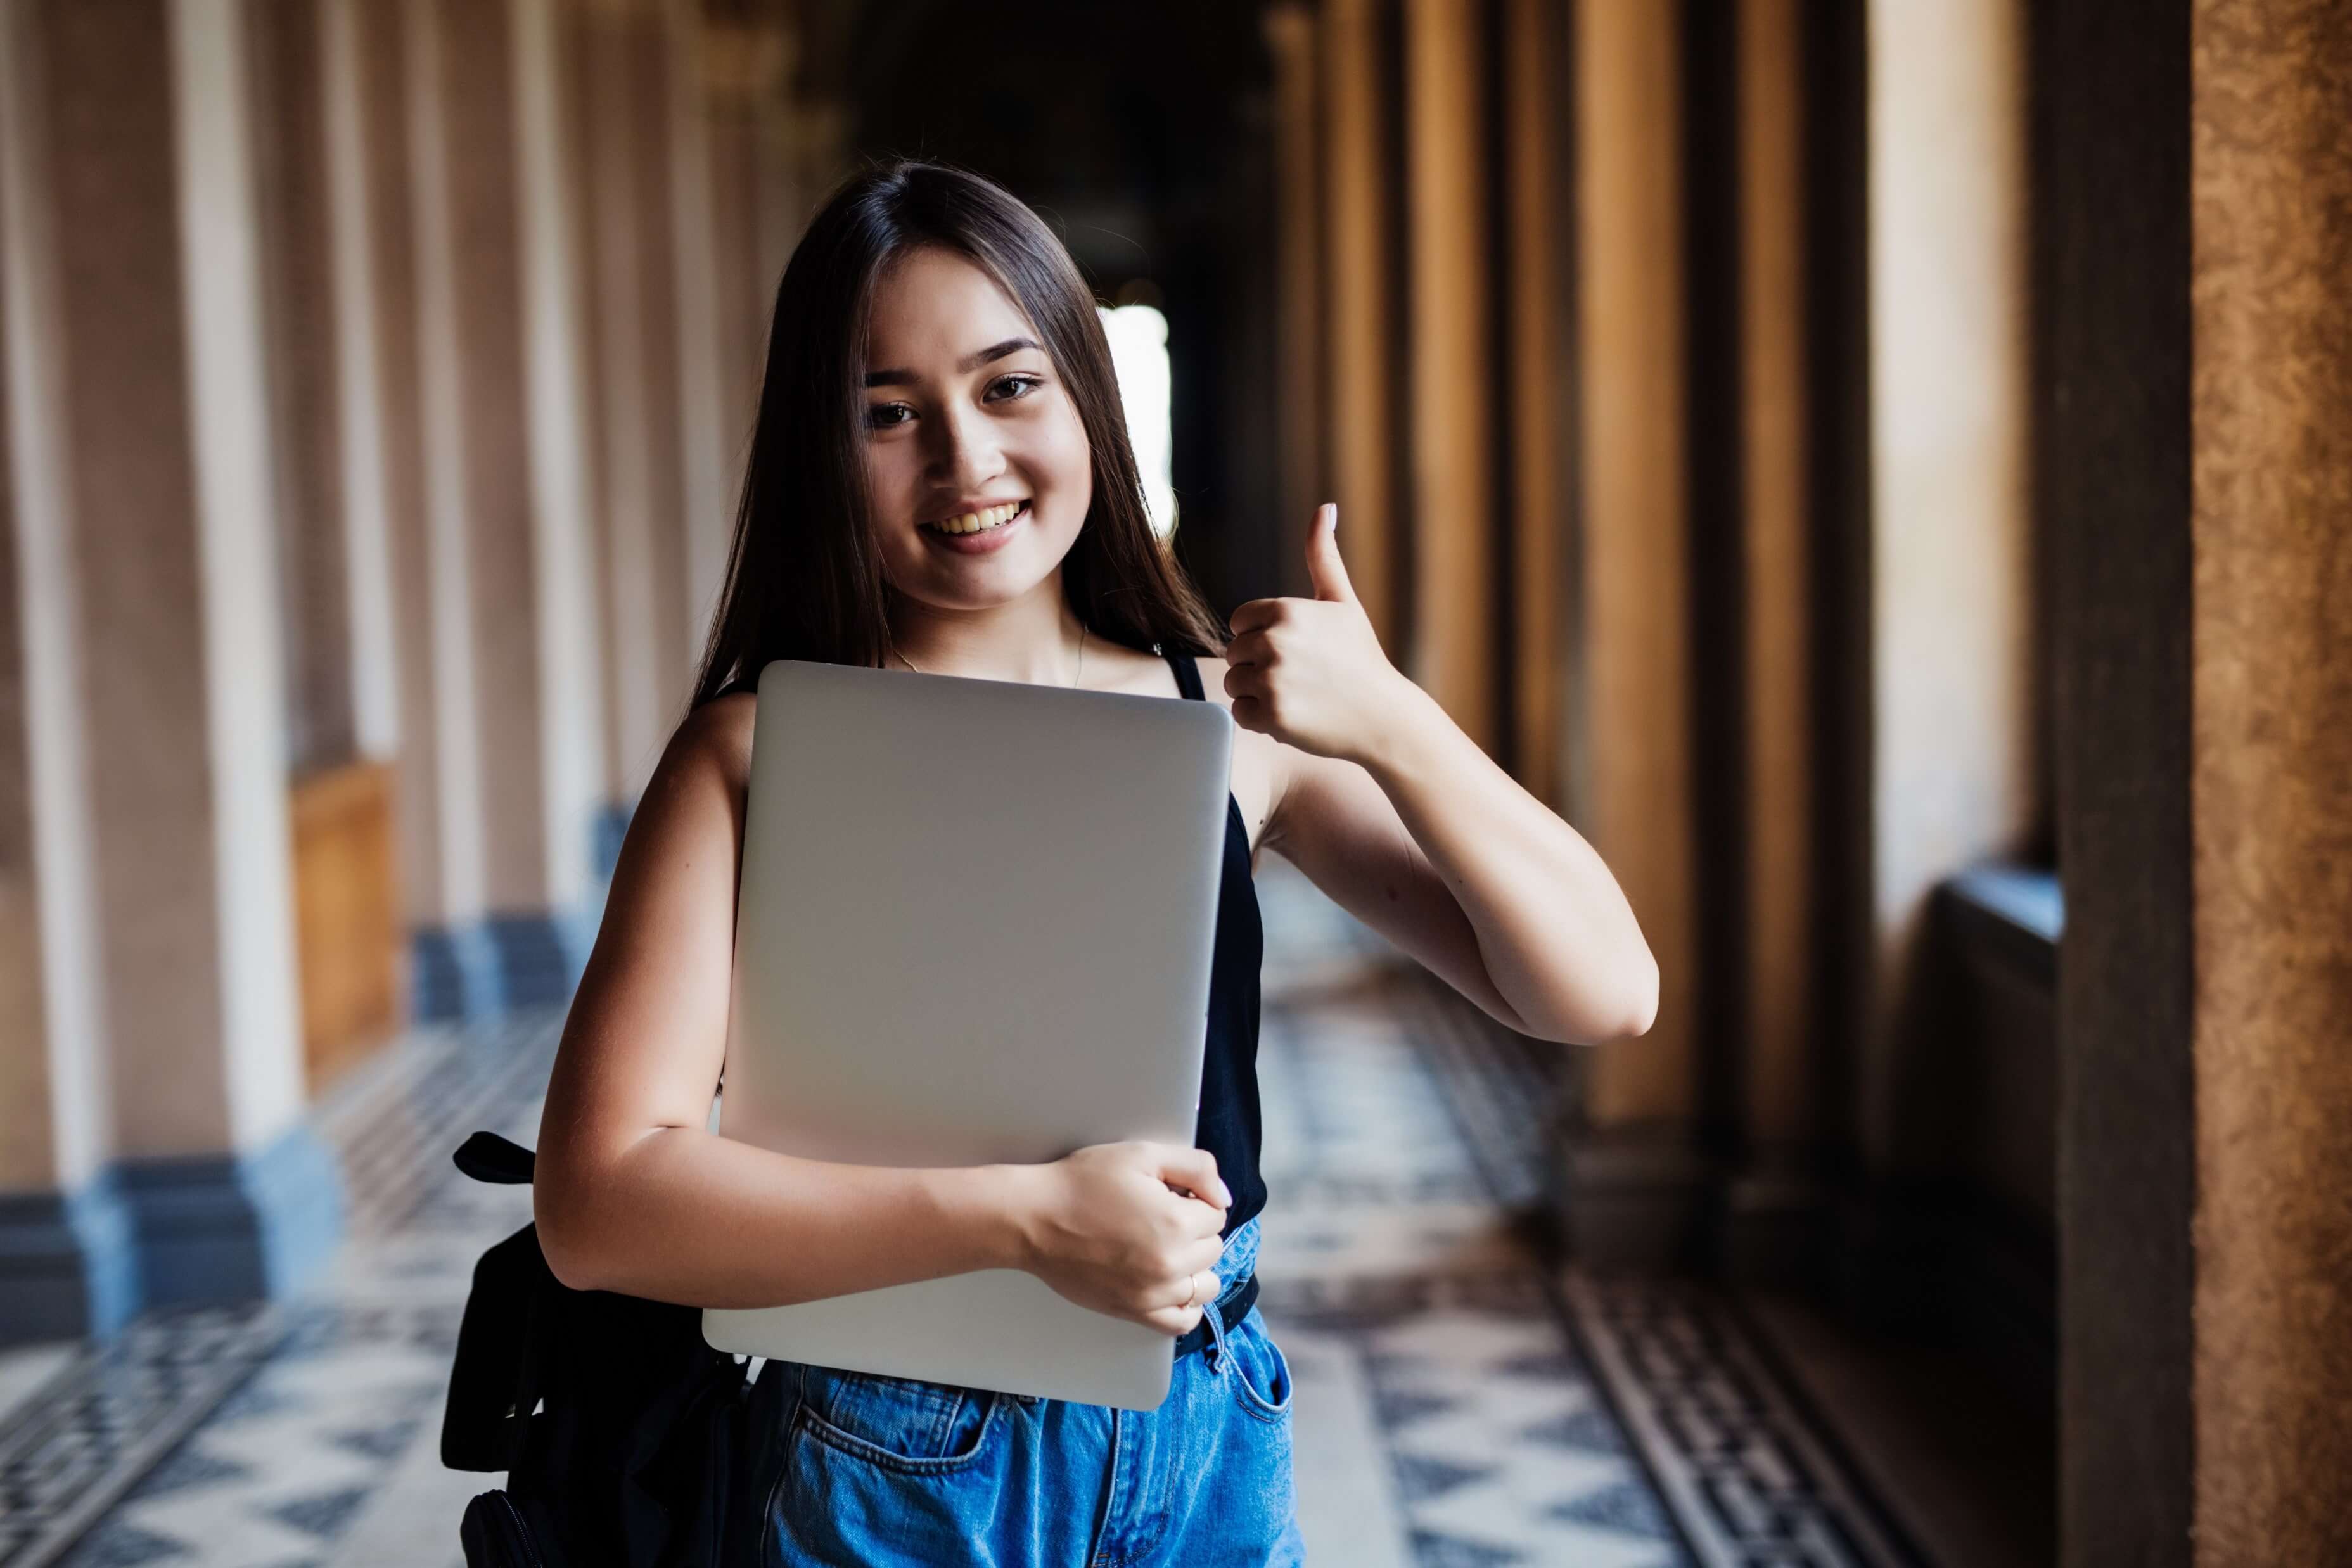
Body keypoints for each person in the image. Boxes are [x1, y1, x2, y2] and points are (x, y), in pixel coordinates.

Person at [531, 158, 1660, 1567]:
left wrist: (1395, 723)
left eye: (1009, 387)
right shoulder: (754, 756)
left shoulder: (1229, 724)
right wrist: (1020, 1222)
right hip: (893, 1454)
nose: (964, 461)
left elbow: (1602, 992)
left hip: (1207, 1430)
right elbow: (595, 1204)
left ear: (1086, 393)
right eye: (888, 414)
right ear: (819, 446)